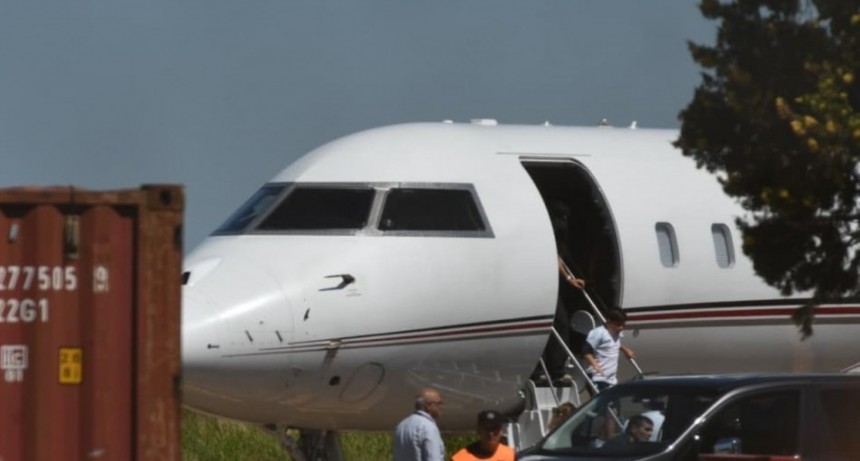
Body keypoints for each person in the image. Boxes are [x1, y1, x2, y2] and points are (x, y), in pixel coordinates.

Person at [583, 309, 635, 393]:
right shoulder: (598, 333)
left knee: (615, 405)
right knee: (602, 405)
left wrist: (625, 349)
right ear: (608, 321)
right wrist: (594, 364)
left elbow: (614, 344)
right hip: (598, 377)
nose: (621, 328)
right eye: (618, 325)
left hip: (611, 379)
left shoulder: (618, 333)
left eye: (623, 325)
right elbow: (586, 351)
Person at [393, 387, 446, 461]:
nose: (441, 407)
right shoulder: (428, 427)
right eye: (439, 403)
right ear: (428, 406)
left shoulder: (401, 426)